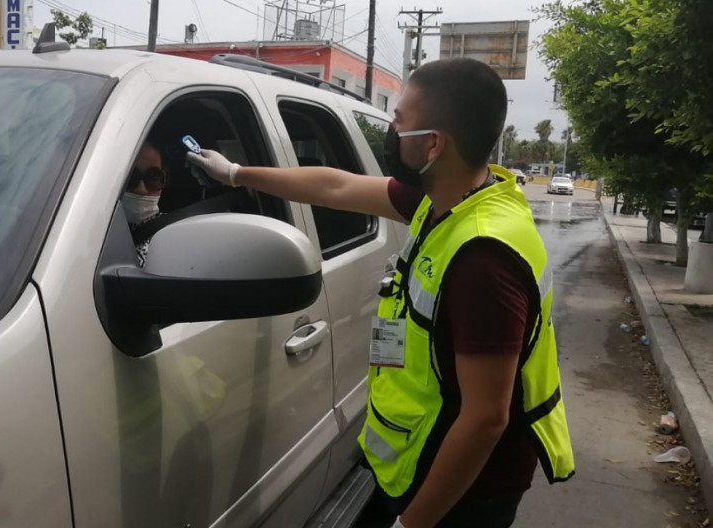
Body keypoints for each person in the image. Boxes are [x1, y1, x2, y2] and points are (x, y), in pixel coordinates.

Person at [186, 58, 574, 528]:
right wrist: (236, 174)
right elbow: (337, 185)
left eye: (400, 120)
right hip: (425, 459)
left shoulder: (483, 258)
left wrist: (413, 523)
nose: (392, 128)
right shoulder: (449, 199)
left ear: (433, 143)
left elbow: (486, 418)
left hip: (466, 493)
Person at [122, 143, 167, 266]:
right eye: (131, 178)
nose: (141, 190)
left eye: (153, 177)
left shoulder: (173, 234)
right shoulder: (90, 232)